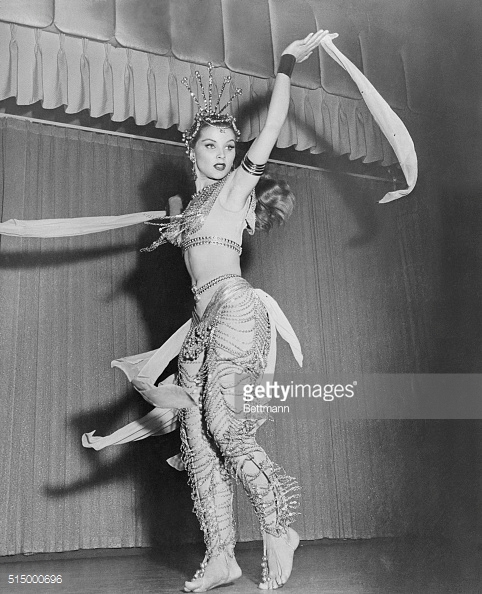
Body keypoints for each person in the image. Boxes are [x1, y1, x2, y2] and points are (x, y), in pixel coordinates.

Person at [126, 29, 331, 592]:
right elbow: (180, 223)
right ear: (191, 151)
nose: (222, 155)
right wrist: (171, 217)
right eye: (210, 146)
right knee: (196, 443)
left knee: (224, 427)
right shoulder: (190, 206)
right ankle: (221, 556)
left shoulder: (237, 188)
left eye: (228, 146)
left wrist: (286, 62)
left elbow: (273, 123)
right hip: (199, 326)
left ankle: (279, 526)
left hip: (235, 309)